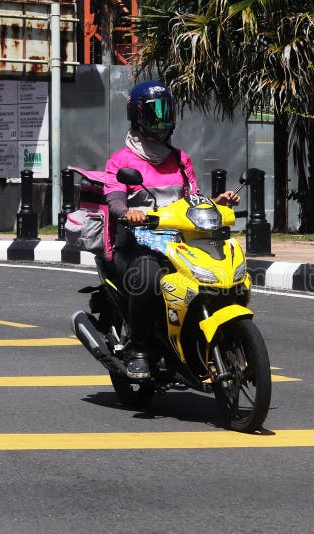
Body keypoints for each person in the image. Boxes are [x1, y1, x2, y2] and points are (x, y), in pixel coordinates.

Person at [103, 80, 239, 379]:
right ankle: (140, 349)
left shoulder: (180, 159)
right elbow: (113, 198)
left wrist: (215, 203)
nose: (162, 119)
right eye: (155, 112)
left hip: (176, 242)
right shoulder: (121, 160)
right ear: (138, 115)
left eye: (168, 111)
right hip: (135, 244)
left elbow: (192, 199)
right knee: (150, 278)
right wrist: (128, 212)